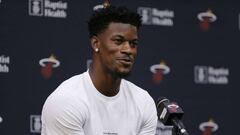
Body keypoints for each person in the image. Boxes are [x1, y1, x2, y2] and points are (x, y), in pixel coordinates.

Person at [41, 4, 158, 135]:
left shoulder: (143, 102)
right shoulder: (66, 101)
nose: (128, 50)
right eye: (118, 41)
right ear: (96, 44)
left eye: (133, 44)